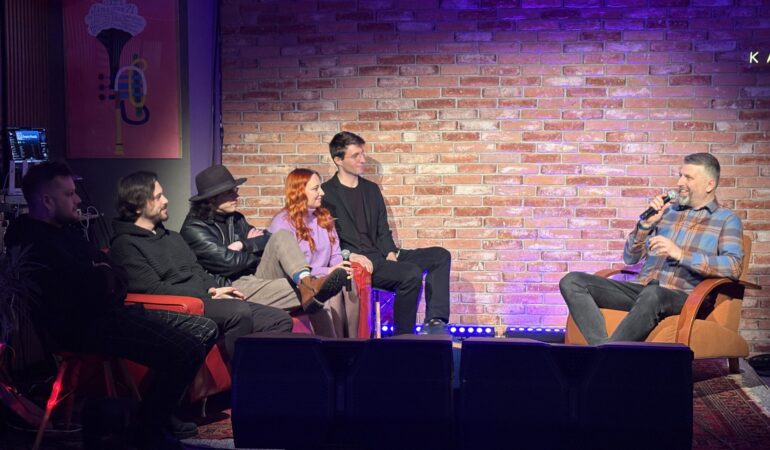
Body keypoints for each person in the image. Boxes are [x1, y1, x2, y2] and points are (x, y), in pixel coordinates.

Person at [5, 162, 218, 449]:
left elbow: (116, 275)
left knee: (203, 328)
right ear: (47, 201)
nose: (78, 199)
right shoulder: (33, 242)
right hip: (83, 329)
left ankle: (155, 415)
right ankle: (147, 429)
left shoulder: (69, 231)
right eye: (69, 194)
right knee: (187, 349)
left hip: (110, 314)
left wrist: (102, 275)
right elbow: (85, 291)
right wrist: (102, 276)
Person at [109, 171, 294, 365]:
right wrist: (208, 294)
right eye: (158, 197)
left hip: (204, 298)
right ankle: (239, 378)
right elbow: (153, 289)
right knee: (238, 311)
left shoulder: (173, 237)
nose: (166, 200)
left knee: (279, 319)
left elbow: (196, 269)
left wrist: (215, 288)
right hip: (179, 306)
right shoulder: (125, 245)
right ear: (138, 206)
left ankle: (262, 373)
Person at [559, 153, 744, 344]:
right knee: (573, 281)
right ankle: (602, 348)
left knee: (654, 293)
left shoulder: (726, 219)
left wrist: (681, 254)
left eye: (688, 177)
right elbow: (630, 257)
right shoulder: (667, 212)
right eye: (680, 175)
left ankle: (606, 355)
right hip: (642, 290)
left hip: (685, 297)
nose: (680, 182)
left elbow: (733, 266)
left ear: (709, 185)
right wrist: (645, 226)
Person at [179, 165, 348, 323]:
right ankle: (310, 290)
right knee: (319, 291)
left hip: (255, 275)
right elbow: (229, 263)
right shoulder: (195, 228)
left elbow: (267, 238)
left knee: (281, 236)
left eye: (235, 190)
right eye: (230, 193)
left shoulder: (235, 218)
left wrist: (242, 244)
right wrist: (254, 251)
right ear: (212, 198)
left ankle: (306, 281)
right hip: (230, 286)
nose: (237, 196)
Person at [321, 131, 452, 335]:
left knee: (440, 256)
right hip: (360, 260)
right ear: (338, 160)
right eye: (355, 155)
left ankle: (435, 322)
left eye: (362, 154)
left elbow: (382, 227)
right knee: (411, 274)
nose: (363, 159)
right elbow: (328, 238)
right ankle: (403, 336)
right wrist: (351, 256)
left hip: (382, 253)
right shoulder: (326, 193)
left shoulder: (371, 189)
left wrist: (390, 252)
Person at [269, 168, 360, 338]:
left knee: (348, 282)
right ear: (299, 192)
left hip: (325, 275)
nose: (322, 192)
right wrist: (328, 272)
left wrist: (340, 268)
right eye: (315, 188)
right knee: (330, 289)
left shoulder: (324, 217)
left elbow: (335, 254)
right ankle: (336, 344)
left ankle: (354, 342)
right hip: (300, 283)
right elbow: (289, 268)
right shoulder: (282, 223)